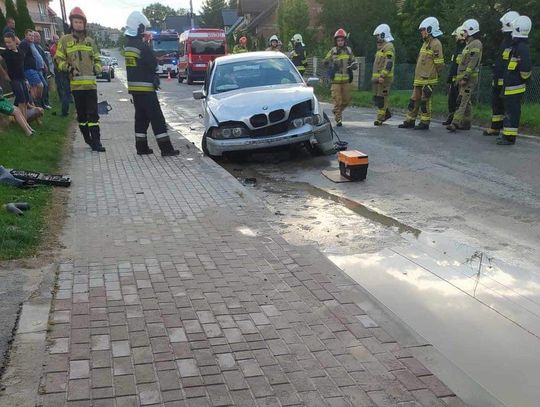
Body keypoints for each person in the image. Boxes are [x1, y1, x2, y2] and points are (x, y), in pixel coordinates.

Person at [124, 11, 179, 156]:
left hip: (135, 89)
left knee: (141, 117)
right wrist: (148, 44)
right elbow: (153, 63)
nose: (145, 31)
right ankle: (166, 149)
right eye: (143, 29)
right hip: (146, 88)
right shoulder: (142, 46)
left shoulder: (129, 46)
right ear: (139, 28)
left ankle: (141, 148)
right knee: (157, 117)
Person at [55, 7, 105, 152]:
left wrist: (97, 67)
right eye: (76, 22)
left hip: (90, 86)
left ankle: (97, 142)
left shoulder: (90, 41)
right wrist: (69, 68)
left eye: (80, 22)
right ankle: (87, 139)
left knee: (93, 115)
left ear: (84, 24)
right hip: (76, 87)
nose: (78, 24)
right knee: (82, 116)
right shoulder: (65, 40)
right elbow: (58, 59)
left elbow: (97, 59)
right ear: (72, 23)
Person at [398, 17, 444, 130]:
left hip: (428, 79)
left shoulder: (436, 44)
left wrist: (435, 77)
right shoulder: (424, 44)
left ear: (429, 29)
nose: (421, 32)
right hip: (419, 78)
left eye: (423, 30)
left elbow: (439, 63)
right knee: (413, 101)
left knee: (425, 102)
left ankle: (425, 122)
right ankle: (410, 120)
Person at [483, 11, 520, 136]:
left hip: (507, 82)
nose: (501, 27)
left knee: (508, 107)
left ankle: (508, 133)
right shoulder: (506, 40)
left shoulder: (515, 42)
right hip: (499, 80)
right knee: (496, 104)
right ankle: (495, 127)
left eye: (503, 24)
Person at [497, 15, 532, 145]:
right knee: (509, 111)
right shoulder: (517, 46)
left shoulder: (522, 47)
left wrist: (518, 80)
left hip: (514, 87)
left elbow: (526, 68)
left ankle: (510, 137)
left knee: (512, 112)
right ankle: (507, 135)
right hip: (510, 86)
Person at [447, 19, 482, 132]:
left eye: (465, 31)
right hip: (463, 78)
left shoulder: (476, 44)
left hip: (469, 79)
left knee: (461, 100)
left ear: (471, 31)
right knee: (466, 101)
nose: (463, 34)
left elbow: (472, 62)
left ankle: (455, 123)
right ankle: (466, 123)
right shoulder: (470, 44)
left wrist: (465, 77)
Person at [324, 28, 357, 127]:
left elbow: (354, 61)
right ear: (336, 41)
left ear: (345, 41)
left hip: (346, 80)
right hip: (335, 81)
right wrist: (330, 63)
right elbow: (325, 61)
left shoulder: (349, 50)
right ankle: (338, 119)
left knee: (346, 100)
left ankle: (336, 111)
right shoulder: (333, 51)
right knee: (338, 100)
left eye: (342, 40)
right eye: (338, 40)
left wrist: (354, 65)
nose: (340, 42)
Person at [1, 32, 32, 120]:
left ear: (14, 41)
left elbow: (21, 66)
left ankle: (25, 120)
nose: (7, 44)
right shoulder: (6, 53)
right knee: (21, 102)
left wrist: (26, 80)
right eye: (6, 42)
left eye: (9, 42)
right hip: (14, 80)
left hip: (22, 78)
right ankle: (24, 122)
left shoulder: (20, 51)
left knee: (25, 101)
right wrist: (4, 74)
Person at [442, 25, 467, 126]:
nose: (455, 38)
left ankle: (458, 121)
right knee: (451, 99)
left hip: (460, 79)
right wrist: (450, 77)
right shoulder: (457, 48)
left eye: (456, 36)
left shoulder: (465, 49)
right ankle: (451, 116)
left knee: (459, 100)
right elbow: (453, 65)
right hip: (454, 78)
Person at [371, 24, 395, 126]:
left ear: (383, 35)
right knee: (378, 98)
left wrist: (382, 76)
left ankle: (380, 119)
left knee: (382, 98)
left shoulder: (389, 47)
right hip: (378, 79)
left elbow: (389, 63)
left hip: (384, 79)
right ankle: (387, 113)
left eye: (378, 35)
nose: (377, 38)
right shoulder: (381, 48)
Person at [19, 29, 44, 108]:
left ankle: (34, 104)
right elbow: (21, 57)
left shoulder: (30, 44)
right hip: (28, 69)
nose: (32, 37)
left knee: (34, 88)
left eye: (32, 35)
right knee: (40, 85)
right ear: (25, 35)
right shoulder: (24, 44)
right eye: (30, 35)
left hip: (33, 68)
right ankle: (35, 101)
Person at [49, 34, 71, 117]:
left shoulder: (60, 49)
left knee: (66, 91)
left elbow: (55, 59)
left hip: (63, 70)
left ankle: (65, 112)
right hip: (66, 71)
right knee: (66, 90)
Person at [33, 31, 51, 109]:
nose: (39, 38)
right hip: (39, 69)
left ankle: (45, 102)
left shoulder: (39, 46)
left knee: (45, 86)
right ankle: (42, 103)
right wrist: (44, 65)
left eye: (39, 36)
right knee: (43, 86)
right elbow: (39, 58)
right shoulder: (34, 47)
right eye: (37, 36)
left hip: (43, 69)